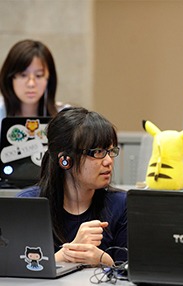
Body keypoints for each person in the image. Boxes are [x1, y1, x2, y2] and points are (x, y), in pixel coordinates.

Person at [18, 107, 127, 267]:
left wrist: (105, 261)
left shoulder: (121, 205)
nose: (108, 161)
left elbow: (132, 277)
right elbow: (16, 272)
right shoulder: (29, 205)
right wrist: (65, 256)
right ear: (65, 160)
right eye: (98, 152)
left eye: (111, 151)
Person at [0, 39, 59, 124]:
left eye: (38, 75)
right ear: (10, 78)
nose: (31, 84)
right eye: (23, 75)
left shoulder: (63, 117)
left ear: (49, 79)